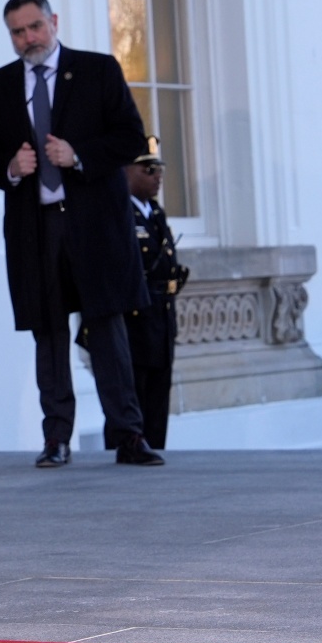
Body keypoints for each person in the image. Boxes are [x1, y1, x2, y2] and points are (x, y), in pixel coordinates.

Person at [0, 0, 164, 469]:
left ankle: (128, 434)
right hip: (35, 230)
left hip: (95, 226)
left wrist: (76, 155)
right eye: (17, 32)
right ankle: (57, 438)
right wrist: (12, 168)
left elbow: (130, 138)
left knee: (108, 329)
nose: (28, 39)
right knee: (49, 333)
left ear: (54, 21)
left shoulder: (98, 70)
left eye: (35, 27)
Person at [125, 143, 189, 451]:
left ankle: (156, 448)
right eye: (148, 170)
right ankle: (133, 446)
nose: (157, 177)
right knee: (136, 389)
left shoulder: (156, 213)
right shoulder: (123, 211)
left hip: (162, 314)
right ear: (127, 172)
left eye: (159, 170)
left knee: (159, 393)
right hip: (137, 317)